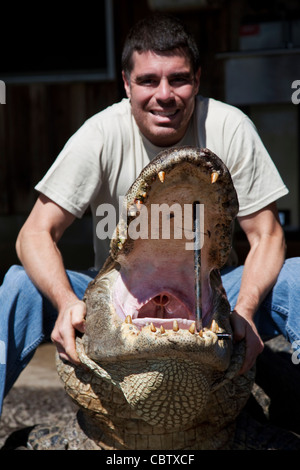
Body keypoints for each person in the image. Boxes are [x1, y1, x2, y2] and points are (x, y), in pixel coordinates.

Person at [0, 13, 299, 415]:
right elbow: (33, 234)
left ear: (197, 79)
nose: (164, 94)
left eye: (178, 79)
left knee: (297, 276)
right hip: (120, 296)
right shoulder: (100, 133)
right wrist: (67, 300)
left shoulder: (230, 127)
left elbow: (268, 234)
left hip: (212, 295)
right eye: (147, 80)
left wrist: (244, 307)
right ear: (126, 83)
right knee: (19, 283)